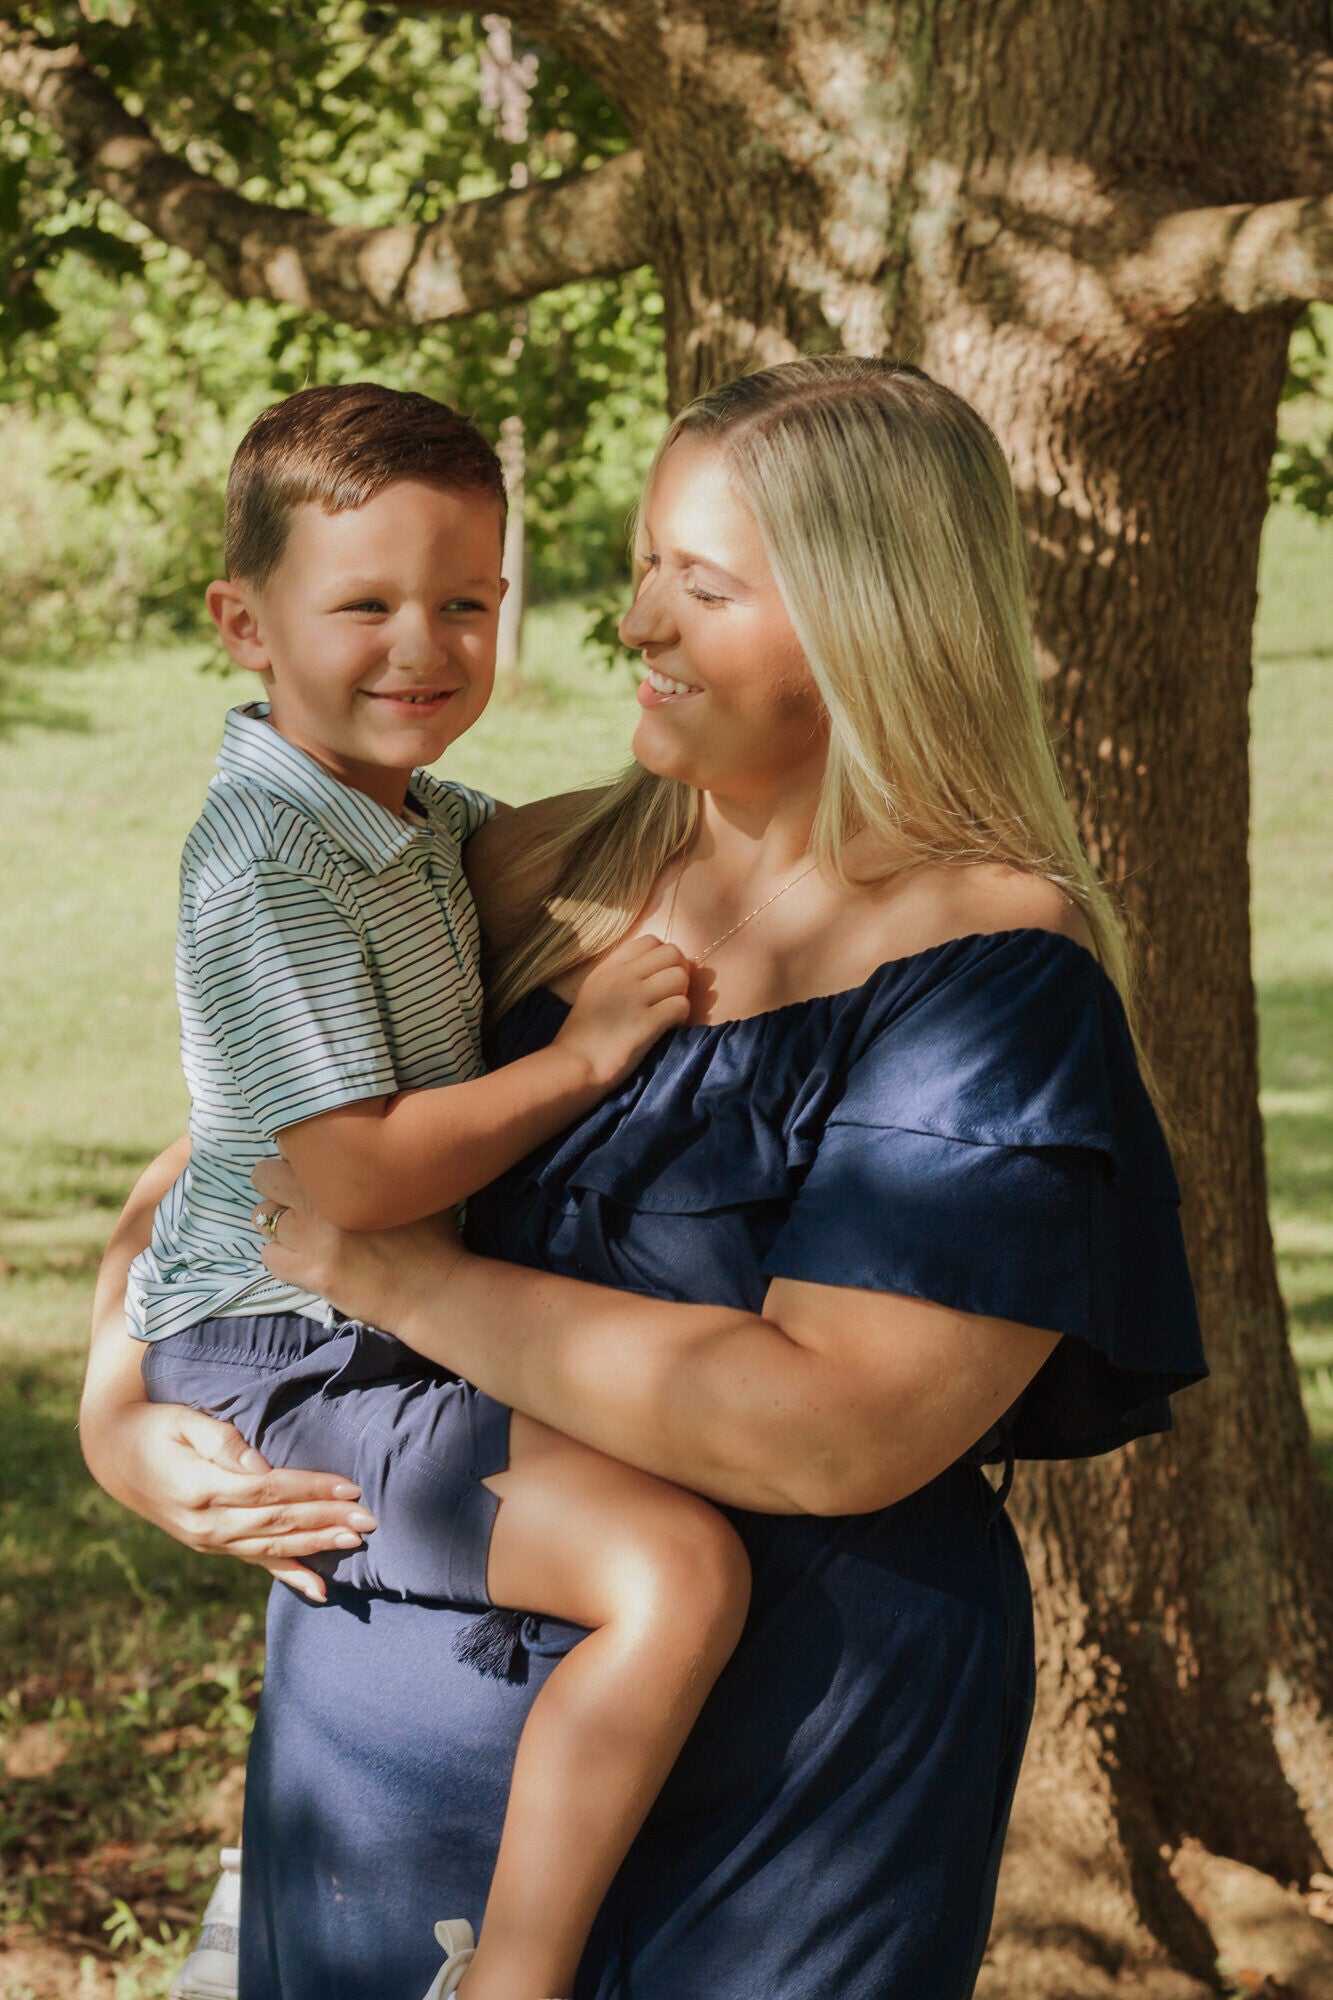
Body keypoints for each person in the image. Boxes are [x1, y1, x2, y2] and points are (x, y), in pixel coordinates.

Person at [83, 357, 1206, 2000]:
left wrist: (400, 1282)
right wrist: (120, 1410)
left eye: (702, 585)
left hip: (783, 1785)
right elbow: (240, 1133)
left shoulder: (989, 979)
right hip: (385, 1736)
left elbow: (835, 1430)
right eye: (639, 570)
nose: (636, 626)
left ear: (872, 620)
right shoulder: (534, 867)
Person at [121, 380, 754, 2000]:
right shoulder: (270, 862)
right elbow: (350, 1172)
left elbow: (609, 836)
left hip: (353, 1326)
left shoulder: (410, 820)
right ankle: (515, 1972)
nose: (423, 647)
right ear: (242, 624)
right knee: (670, 1572)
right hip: (288, 1352)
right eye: (366, 607)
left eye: (465, 604)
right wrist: (585, 1057)